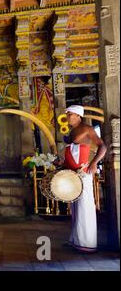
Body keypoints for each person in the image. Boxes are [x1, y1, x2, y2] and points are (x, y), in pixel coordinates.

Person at [62, 105, 107, 252]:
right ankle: (76, 240)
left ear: (78, 116)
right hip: (73, 173)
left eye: (70, 114)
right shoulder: (73, 130)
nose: (67, 116)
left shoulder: (87, 129)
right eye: (67, 114)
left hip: (83, 171)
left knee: (84, 205)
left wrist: (94, 162)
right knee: (75, 208)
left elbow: (103, 147)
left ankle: (87, 243)